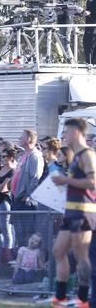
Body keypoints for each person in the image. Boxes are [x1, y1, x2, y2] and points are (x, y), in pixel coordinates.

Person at [51, 118, 96, 307]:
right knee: (58, 251)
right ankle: (60, 296)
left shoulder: (87, 155)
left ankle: (84, 299)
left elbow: (92, 183)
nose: (64, 136)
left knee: (81, 255)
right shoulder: (76, 156)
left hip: (83, 212)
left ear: (77, 132)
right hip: (71, 211)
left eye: (67, 132)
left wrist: (65, 181)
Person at [11, 130, 44, 249]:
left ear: (29, 140)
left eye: (22, 136)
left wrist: (28, 195)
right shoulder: (23, 156)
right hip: (17, 199)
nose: (19, 138)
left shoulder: (35, 156)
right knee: (19, 232)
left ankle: (29, 259)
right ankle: (22, 255)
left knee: (28, 232)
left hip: (26, 201)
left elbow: (35, 178)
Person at [0, 148, 16, 267]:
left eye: (4, 156)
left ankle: (7, 256)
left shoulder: (12, 171)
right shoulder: (1, 169)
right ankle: (0, 256)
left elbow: (3, 188)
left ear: (11, 157)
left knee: (6, 230)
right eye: (1, 156)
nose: (2, 159)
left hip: (4, 202)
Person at [84, 0, 96, 64]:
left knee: (90, 44)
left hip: (93, 25)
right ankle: (89, 64)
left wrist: (90, 12)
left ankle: (90, 65)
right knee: (87, 43)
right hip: (89, 24)